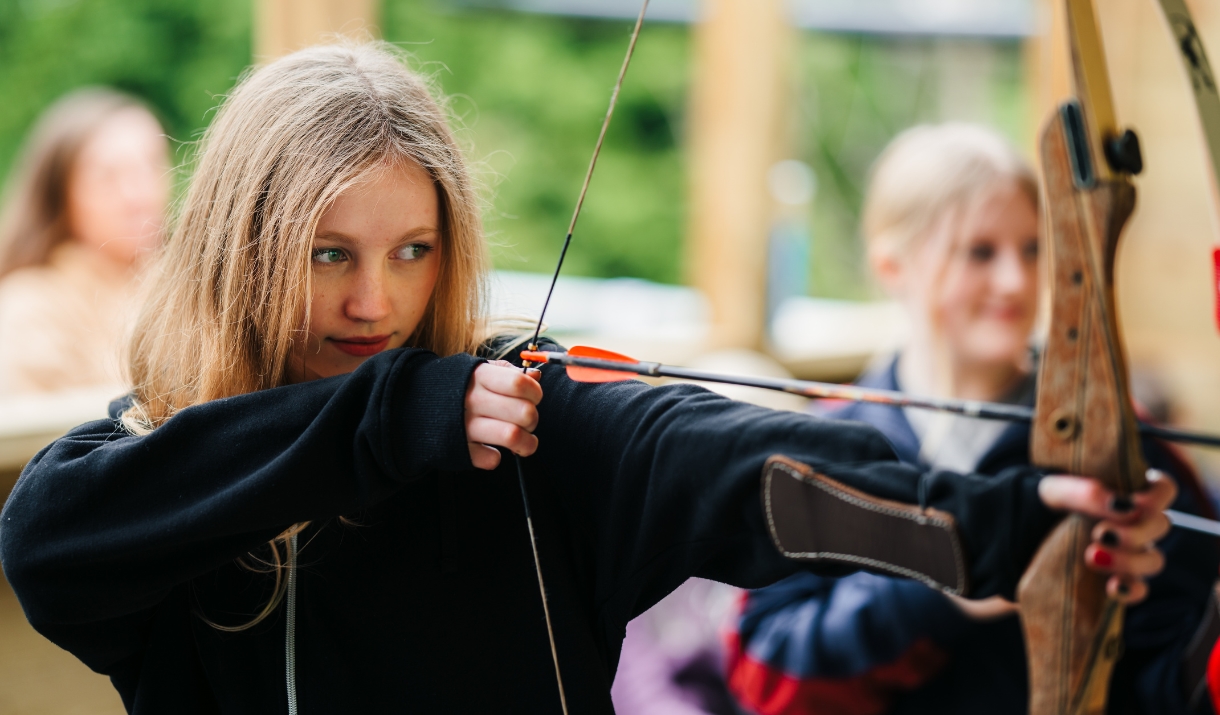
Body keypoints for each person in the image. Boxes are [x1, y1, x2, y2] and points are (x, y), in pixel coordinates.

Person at [0, 46, 1173, 714]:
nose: (374, 301)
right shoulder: (166, 469)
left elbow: (725, 462)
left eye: (412, 252)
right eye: (329, 256)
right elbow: (46, 540)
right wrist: (387, 418)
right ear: (245, 255)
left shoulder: (519, 431)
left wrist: (1005, 527)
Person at [726, 124, 1219, 715]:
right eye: (979, 252)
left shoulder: (1113, 441)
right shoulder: (825, 443)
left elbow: (1173, 683)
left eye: (1034, 248)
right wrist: (950, 579)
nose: (1015, 281)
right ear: (892, 265)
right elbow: (766, 675)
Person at [0, 87, 170, 395]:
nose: (139, 194)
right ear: (61, 195)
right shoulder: (30, 310)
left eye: (152, 165)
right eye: (107, 176)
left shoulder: (191, 287)